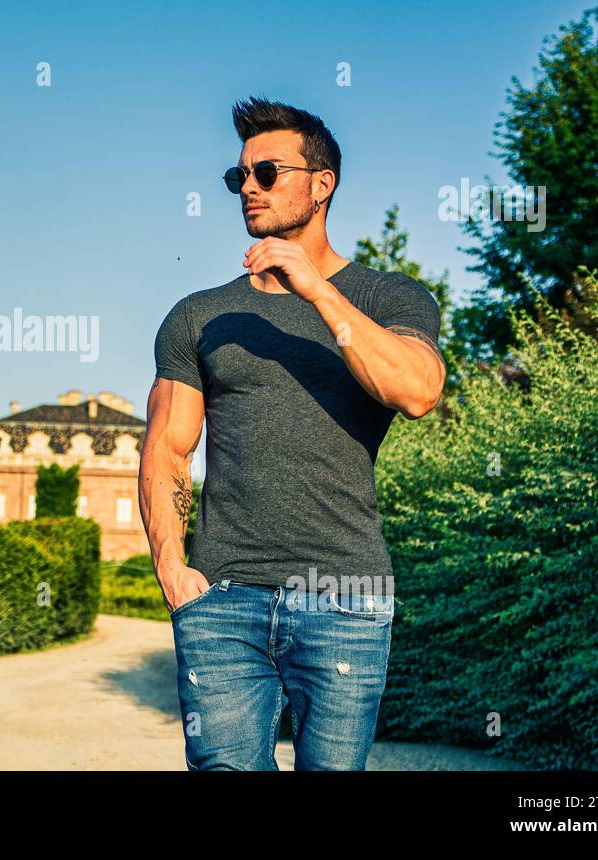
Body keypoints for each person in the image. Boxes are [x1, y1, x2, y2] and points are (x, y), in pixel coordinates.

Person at [139, 96, 447, 770]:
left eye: (268, 171)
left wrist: (316, 291)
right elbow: (167, 447)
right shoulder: (202, 316)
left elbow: (418, 391)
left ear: (321, 183)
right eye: (238, 176)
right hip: (223, 599)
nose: (247, 186)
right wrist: (169, 563)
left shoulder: (390, 298)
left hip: (347, 598)